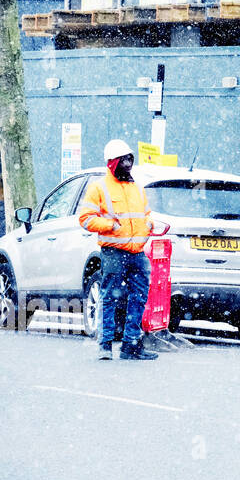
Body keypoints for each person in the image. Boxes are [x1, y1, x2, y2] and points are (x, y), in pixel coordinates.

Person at [78, 140, 158, 361]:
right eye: (124, 160)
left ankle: (131, 346)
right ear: (112, 163)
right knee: (109, 298)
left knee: (139, 296)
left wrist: (149, 223)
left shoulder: (136, 188)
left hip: (137, 253)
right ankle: (104, 346)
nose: (128, 164)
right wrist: (109, 225)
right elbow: (85, 219)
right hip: (113, 252)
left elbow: (145, 213)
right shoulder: (99, 188)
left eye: (130, 159)